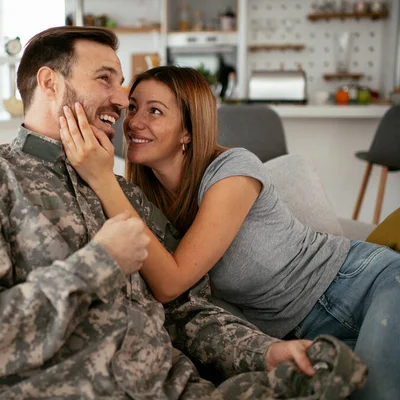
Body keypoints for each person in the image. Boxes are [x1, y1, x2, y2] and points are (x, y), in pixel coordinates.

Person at [0, 28, 366, 399]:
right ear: (50, 83)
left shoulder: (125, 195)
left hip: (174, 390)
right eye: (105, 79)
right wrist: (99, 262)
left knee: (332, 374)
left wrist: (265, 352)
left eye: (121, 82)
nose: (122, 98)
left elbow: (187, 310)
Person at [59, 65, 398, 399]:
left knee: (377, 393)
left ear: (187, 132)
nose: (133, 122)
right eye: (132, 107)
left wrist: (102, 180)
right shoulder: (145, 202)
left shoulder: (233, 170)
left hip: (361, 286)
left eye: (155, 111)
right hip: (296, 332)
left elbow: (171, 283)